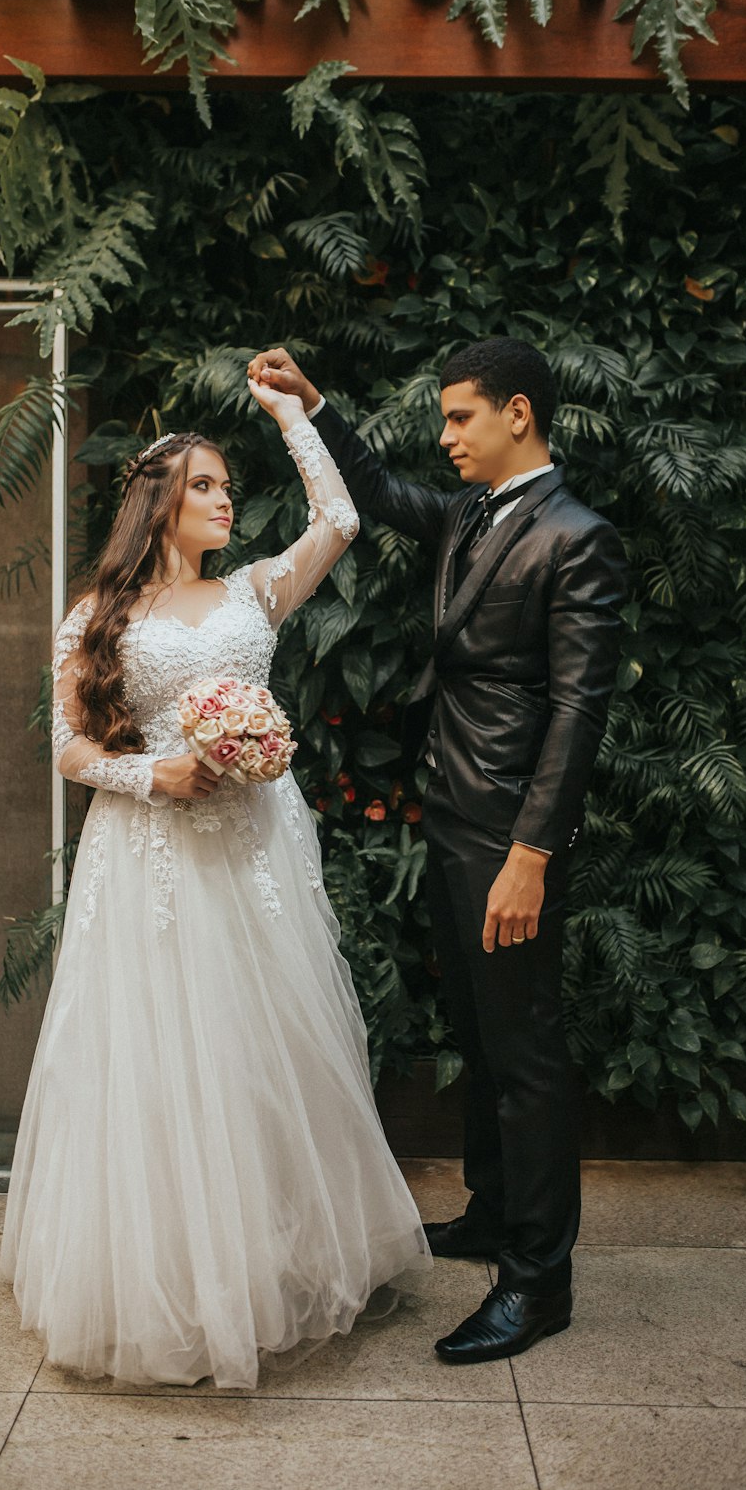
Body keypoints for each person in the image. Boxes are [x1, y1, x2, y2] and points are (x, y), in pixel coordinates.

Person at [0, 380, 429, 1390]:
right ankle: (162, 1282)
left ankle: (275, 1261)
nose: (228, 503)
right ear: (160, 503)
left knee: (262, 1044)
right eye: (207, 487)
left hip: (254, 850)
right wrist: (151, 774)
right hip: (148, 851)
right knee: (153, 1054)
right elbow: (65, 748)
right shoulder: (96, 615)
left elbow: (341, 517)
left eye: (229, 487)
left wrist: (294, 413)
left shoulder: (256, 592)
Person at [248, 339, 628, 1364]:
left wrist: (531, 855)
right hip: (452, 812)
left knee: (527, 1056)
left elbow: (578, 711)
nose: (445, 436)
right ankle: (496, 1216)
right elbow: (371, 488)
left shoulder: (577, 539)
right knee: (479, 1029)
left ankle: (538, 1284)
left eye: (460, 418)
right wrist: (313, 402)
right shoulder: (468, 513)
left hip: (510, 835)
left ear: (517, 413)